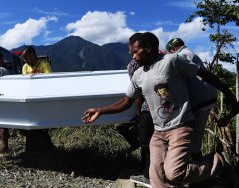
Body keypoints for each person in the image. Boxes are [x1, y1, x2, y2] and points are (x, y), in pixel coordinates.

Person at [82, 32, 238, 188]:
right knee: (156, 178)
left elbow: (206, 75)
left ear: (148, 48)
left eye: (136, 52)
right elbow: (126, 101)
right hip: (158, 131)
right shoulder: (138, 75)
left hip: (180, 126)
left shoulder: (172, 60)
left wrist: (229, 95)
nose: (133, 57)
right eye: (132, 53)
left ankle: (218, 162)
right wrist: (100, 110)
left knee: (174, 173)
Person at [166, 38, 217, 159]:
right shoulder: (191, 53)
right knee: (196, 134)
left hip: (199, 100)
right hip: (206, 97)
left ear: (173, 49)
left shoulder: (182, 55)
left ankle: (200, 168)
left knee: (193, 137)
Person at [123, 33, 153, 187]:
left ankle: (147, 173)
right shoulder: (161, 59)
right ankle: (149, 172)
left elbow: (137, 94)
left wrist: (138, 111)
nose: (132, 54)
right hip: (163, 110)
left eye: (134, 50)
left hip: (147, 109)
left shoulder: (133, 66)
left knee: (145, 143)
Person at [21, 46, 53, 150]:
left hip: (42, 97)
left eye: (27, 58)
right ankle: (35, 147)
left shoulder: (44, 64)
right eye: (25, 59)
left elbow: (50, 80)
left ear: (33, 55)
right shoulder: (25, 67)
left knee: (42, 123)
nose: (26, 61)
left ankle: (44, 147)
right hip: (30, 99)